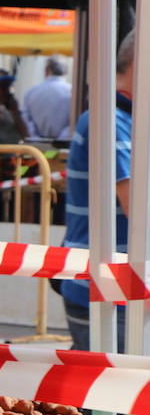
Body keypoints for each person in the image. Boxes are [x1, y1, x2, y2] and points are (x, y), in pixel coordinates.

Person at [60, 34, 134, 351]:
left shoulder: (127, 118)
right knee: (111, 397)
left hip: (118, 286)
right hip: (106, 289)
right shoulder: (109, 119)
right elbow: (137, 207)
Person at [22, 55, 73, 139]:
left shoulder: (31, 92)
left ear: (46, 69)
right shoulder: (72, 92)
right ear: (67, 71)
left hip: (36, 147)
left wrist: (36, 139)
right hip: (63, 147)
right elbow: (74, 122)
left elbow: (26, 120)